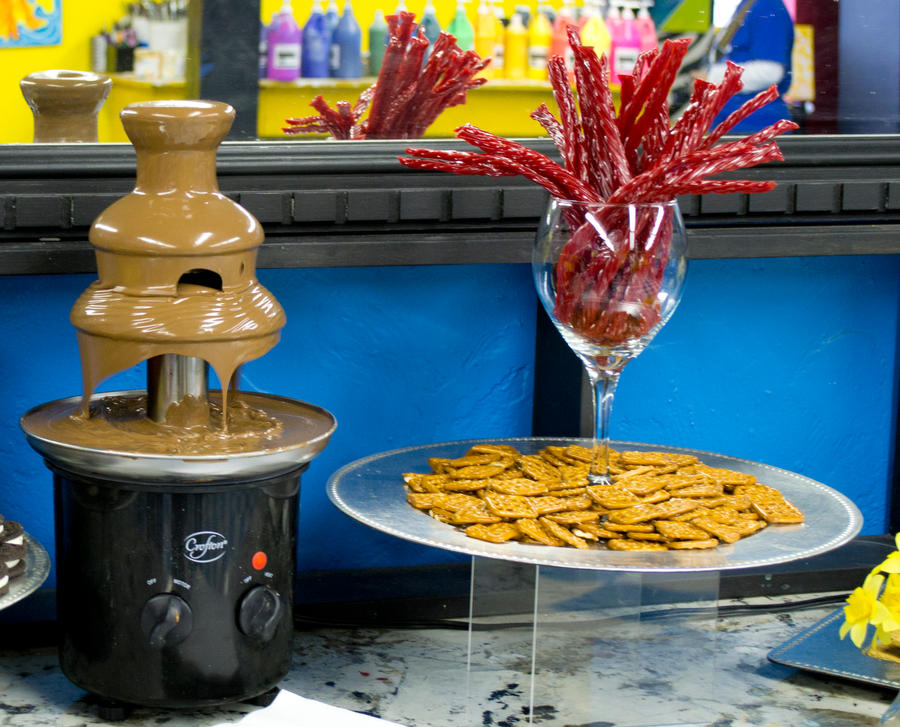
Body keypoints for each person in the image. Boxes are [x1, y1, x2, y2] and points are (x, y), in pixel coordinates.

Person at [705, 0, 794, 132]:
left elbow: (770, 71)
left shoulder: (768, 5)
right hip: (738, 125)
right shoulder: (750, 5)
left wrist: (711, 77)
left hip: (754, 127)